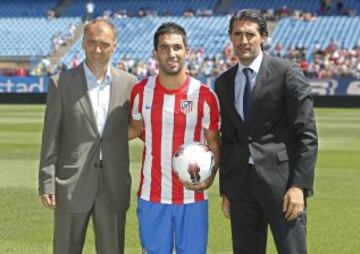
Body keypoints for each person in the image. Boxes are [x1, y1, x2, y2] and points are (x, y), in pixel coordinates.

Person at [214, 10, 318, 254]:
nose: (243, 40)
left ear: (263, 37)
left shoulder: (286, 72)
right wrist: (228, 190)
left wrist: (298, 186)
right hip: (241, 189)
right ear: (230, 37)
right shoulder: (223, 82)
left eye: (250, 34)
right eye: (237, 34)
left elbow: (306, 134)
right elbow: (228, 140)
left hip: (282, 186)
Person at [38, 19, 137, 254]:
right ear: (82, 44)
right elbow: (50, 136)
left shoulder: (130, 84)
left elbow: (137, 127)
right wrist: (47, 182)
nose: (97, 50)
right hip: (71, 183)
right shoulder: (61, 83)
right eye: (92, 43)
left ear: (114, 46)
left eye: (104, 44)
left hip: (113, 184)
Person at [128, 22, 220, 254]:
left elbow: (214, 144)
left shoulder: (205, 96)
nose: (172, 53)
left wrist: (210, 177)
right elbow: (132, 130)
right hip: (152, 196)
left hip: (193, 197)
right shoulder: (140, 92)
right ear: (155, 53)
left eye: (177, 47)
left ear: (187, 51)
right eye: (165, 48)